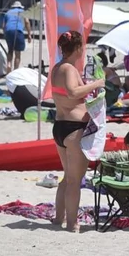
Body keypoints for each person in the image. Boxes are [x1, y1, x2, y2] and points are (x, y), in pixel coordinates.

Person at [49, 30, 104, 233]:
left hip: (60, 127)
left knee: (67, 177)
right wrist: (97, 83)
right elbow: (73, 92)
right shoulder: (69, 69)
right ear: (79, 48)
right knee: (74, 180)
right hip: (74, 129)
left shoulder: (56, 68)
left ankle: (58, 217)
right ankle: (71, 223)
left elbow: (71, 93)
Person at [1, 1, 30, 71]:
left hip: (8, 31)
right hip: (18, 31)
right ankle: (15, 70)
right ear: (20, 7)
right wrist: (29, 34)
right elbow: (27, 22)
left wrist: (5, 34)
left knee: (10, 50)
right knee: (17, 53)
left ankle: (9, 65)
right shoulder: (23, 12)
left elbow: (3, 26)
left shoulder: (8, 13)